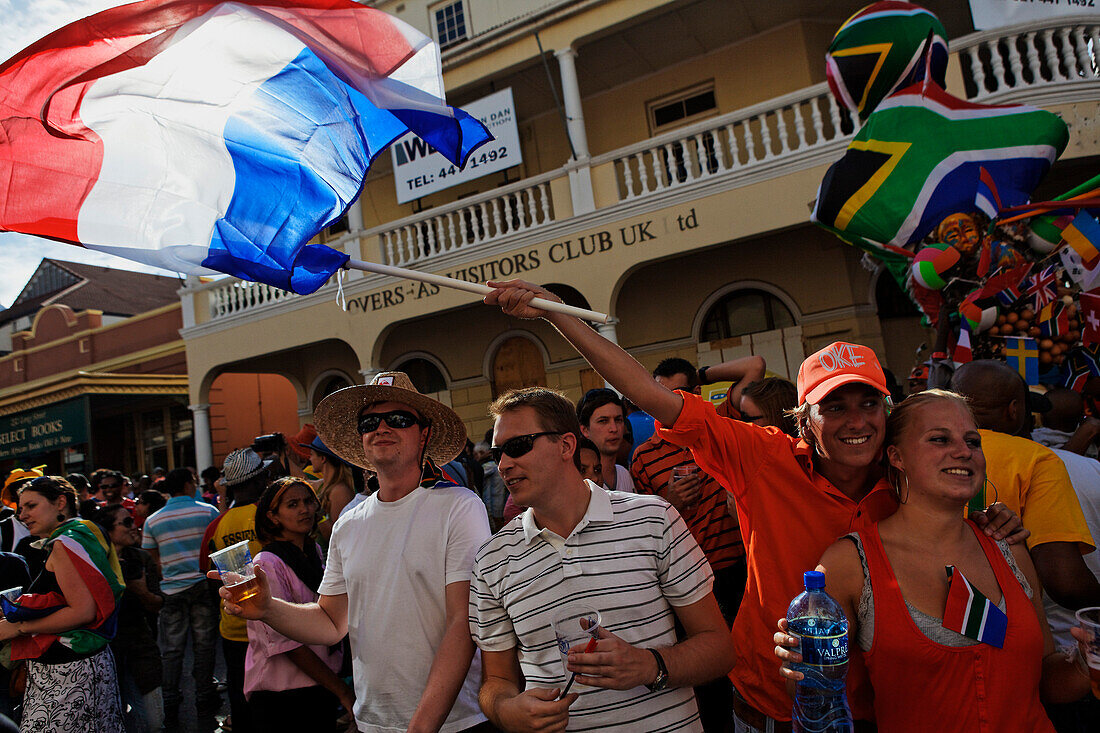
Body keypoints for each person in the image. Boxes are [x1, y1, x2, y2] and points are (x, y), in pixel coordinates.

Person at [483, 279, 1025, 731]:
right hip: (775, 708)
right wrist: (556, 316)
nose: (855, 421)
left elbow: (958, 513)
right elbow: (651, 396)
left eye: (868, 403)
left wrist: (986, 524)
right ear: (804, 418)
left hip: (881, 707)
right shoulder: (764, 458)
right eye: (834, 406)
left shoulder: (904, 476)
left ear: (888, 411)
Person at [774, 390, 1090, 730]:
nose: (963, 452)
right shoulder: (849, 564)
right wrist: (798, 663)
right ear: (896, 456)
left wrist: (1086, 663)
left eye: (973, 441)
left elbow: (1048, 682)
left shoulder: (1008, 547)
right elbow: (814, 694)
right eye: (940, 439)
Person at [214, 372, 491, 733]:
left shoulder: (459, 506)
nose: (382, 428)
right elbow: (331, 623)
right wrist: (268, 608)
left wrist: (421, 727)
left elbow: (463, 620)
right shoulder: (349, 523)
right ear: (361, 439)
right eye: (369, 422)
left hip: (454, 722)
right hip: (374, 721)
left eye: (399, 419)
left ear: (424, 434)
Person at [470, 387, 735, 732]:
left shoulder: (653, 519)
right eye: (498, 452)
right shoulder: (492, 559)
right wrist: (506, 710)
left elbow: (720, 648)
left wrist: (649, 665)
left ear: (566, 446)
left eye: (518, 446)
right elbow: (496, 681)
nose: (504, 464)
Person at [951, 361, 1100, 610]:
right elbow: (1066, 583)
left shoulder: (920, 455)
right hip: (1010, 623)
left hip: (930, 615)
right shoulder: (1035, 459)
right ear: (1014, 409)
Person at [1, 476, 125, 732]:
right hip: (85, 666)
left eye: (31, 506)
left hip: (68, 675)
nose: (22, 515)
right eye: (20, 508)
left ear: (60, 502)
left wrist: (19, 627)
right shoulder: (84, 532)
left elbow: (83, 611)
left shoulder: (65, 543)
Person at [245, 477, 353, 730]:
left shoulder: (312, 551)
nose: (304, 509)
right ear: (272, 517)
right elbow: (288, 643)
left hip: (319, 684)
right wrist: (341, 691)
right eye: (292, 504)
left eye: (308, 502)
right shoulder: (268, 563)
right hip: (284, 695)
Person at [141, 466, 221, 725]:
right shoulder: (208, 511)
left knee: (172, 648)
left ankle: (170, 697)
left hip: (172, 589)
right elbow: (216, 548)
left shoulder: (153, 520)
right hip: (201, 585)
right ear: (188, 485)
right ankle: (204, 693)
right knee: (204, 643)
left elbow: (153, 561)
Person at [202, 448, 269, 733]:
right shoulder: (269, 517)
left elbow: (210, 579)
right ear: (258, 481)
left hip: (233, 627)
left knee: (241, 700)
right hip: (273, 624)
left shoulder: (216, 526)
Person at [95, 504, 165, 733]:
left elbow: (158, 604)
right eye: (125, 522)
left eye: (132, 520)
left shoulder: (142, 559)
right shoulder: (95, 562)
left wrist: (140, 591)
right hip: (108, 654)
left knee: (154, 722)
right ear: (107, 530)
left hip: (141, 648)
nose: (134, 526)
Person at [577, 388, 634, 492]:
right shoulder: (578, 479)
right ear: (585, 429)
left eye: (618, 420)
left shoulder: (623, 474)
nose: (614, 429)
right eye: (603, 421)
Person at [302, 436, 355, 545]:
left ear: (323, 459)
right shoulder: (325, 484)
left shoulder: (339, 491)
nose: (310, 459)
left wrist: (319, 513)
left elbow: (334, 535)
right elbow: (303, 480)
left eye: (312, 454)